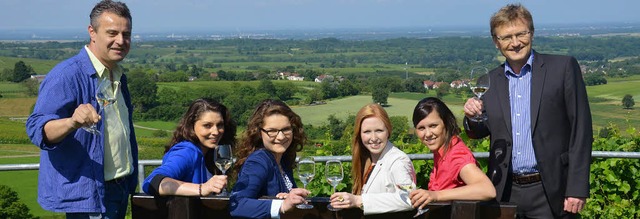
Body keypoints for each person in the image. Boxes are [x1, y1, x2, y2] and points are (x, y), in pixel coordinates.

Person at [463, 3, 593, 218]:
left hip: (551, 190)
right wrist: (471, 117)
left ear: (532, 33)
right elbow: (479, 132)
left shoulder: (563, 68)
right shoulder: (488, 82)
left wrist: (577, 189)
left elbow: (581, 130)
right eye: (506, 37)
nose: (515, 43)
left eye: (521, 34)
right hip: (504, 191)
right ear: (496, 42)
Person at [25, 0, 137, 218]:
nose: (121, 41)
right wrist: (71, 122)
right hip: (90, 195)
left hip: (120, 189)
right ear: (92, 32)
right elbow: (36, 128)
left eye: (127, 34)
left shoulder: (118, 75)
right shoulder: (66, 75)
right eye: (112, 33)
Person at [409, 97, 496, 210]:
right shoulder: (442, 151)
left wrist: (436, 195)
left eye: (433, 126)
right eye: (421, 128)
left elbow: (487, 190)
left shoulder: (456, 155)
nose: (428, 134)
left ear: (446, 123)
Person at [329, 103, 417, 215]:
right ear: (359, 134)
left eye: (379, 130)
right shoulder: (367, 159)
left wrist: (358, 200)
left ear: (388, 131)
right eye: (367, 132)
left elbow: (409, 198)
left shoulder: (398, 161)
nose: (374, 138)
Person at [229, 99, 310, 218]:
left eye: (286, 129)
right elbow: (237, 204)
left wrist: (288, 197)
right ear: (258, 133)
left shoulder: (283, 160)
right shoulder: (258, 162)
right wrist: (281, 206)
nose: (281, 137)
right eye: (272, 131)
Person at [142, 98, 235, 197]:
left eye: (220, 125)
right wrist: (202, 188)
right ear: (191, 126)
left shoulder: (209, 152)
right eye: (207, 125)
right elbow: (153, 182)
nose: (216, 132)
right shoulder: (186, 152)